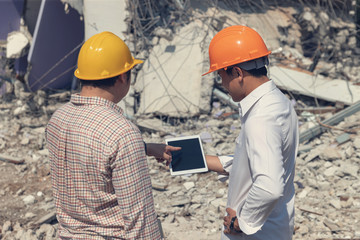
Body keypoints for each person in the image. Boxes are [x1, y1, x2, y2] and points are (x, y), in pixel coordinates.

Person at [45, 31, 180, 239]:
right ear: (123, 76)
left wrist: (145, 148)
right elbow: (140, 220)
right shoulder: (122, 133)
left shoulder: (59, 118)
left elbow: (91, 152)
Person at [202, 25, 299, 240]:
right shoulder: (278, 102)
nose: (223, 84)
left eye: (221, 76)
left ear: (237, 72)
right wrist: (198, 160)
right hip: (276, 228)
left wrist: (241, 222)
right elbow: (257, 162)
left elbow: (269, 186)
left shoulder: (260, 118)